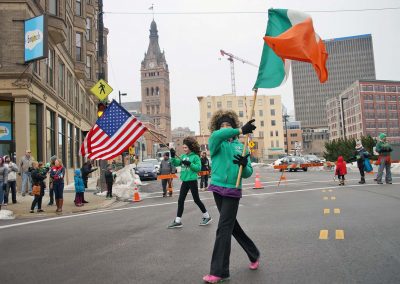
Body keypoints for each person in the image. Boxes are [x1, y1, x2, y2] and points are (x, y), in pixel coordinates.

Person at [202, 110, 260, 283]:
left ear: (233, 126)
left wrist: (245, 165)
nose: (225, 128)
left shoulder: (240, 146)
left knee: (224, 228)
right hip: (218, 188)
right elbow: (217, 135)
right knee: (231, 226)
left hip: (233, 189)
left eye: (229, 125)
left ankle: (219, 271)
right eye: (222, 125)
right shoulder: (216, 142)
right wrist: (240, 130)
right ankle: (253, 253)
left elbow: (248, 172)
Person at [168, 137, 212, 229]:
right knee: (180, 200)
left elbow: (198, 168)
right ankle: (178, 221)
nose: (184, 149)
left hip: (192, 181)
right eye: (183, 148)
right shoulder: (183, 156)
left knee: (196, 200)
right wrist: (172, 156)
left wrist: (190, 164)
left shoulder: (195, 157)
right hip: (185, 181)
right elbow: (176, 163)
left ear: (191, 147)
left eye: (186, 148)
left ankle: (207, 216)